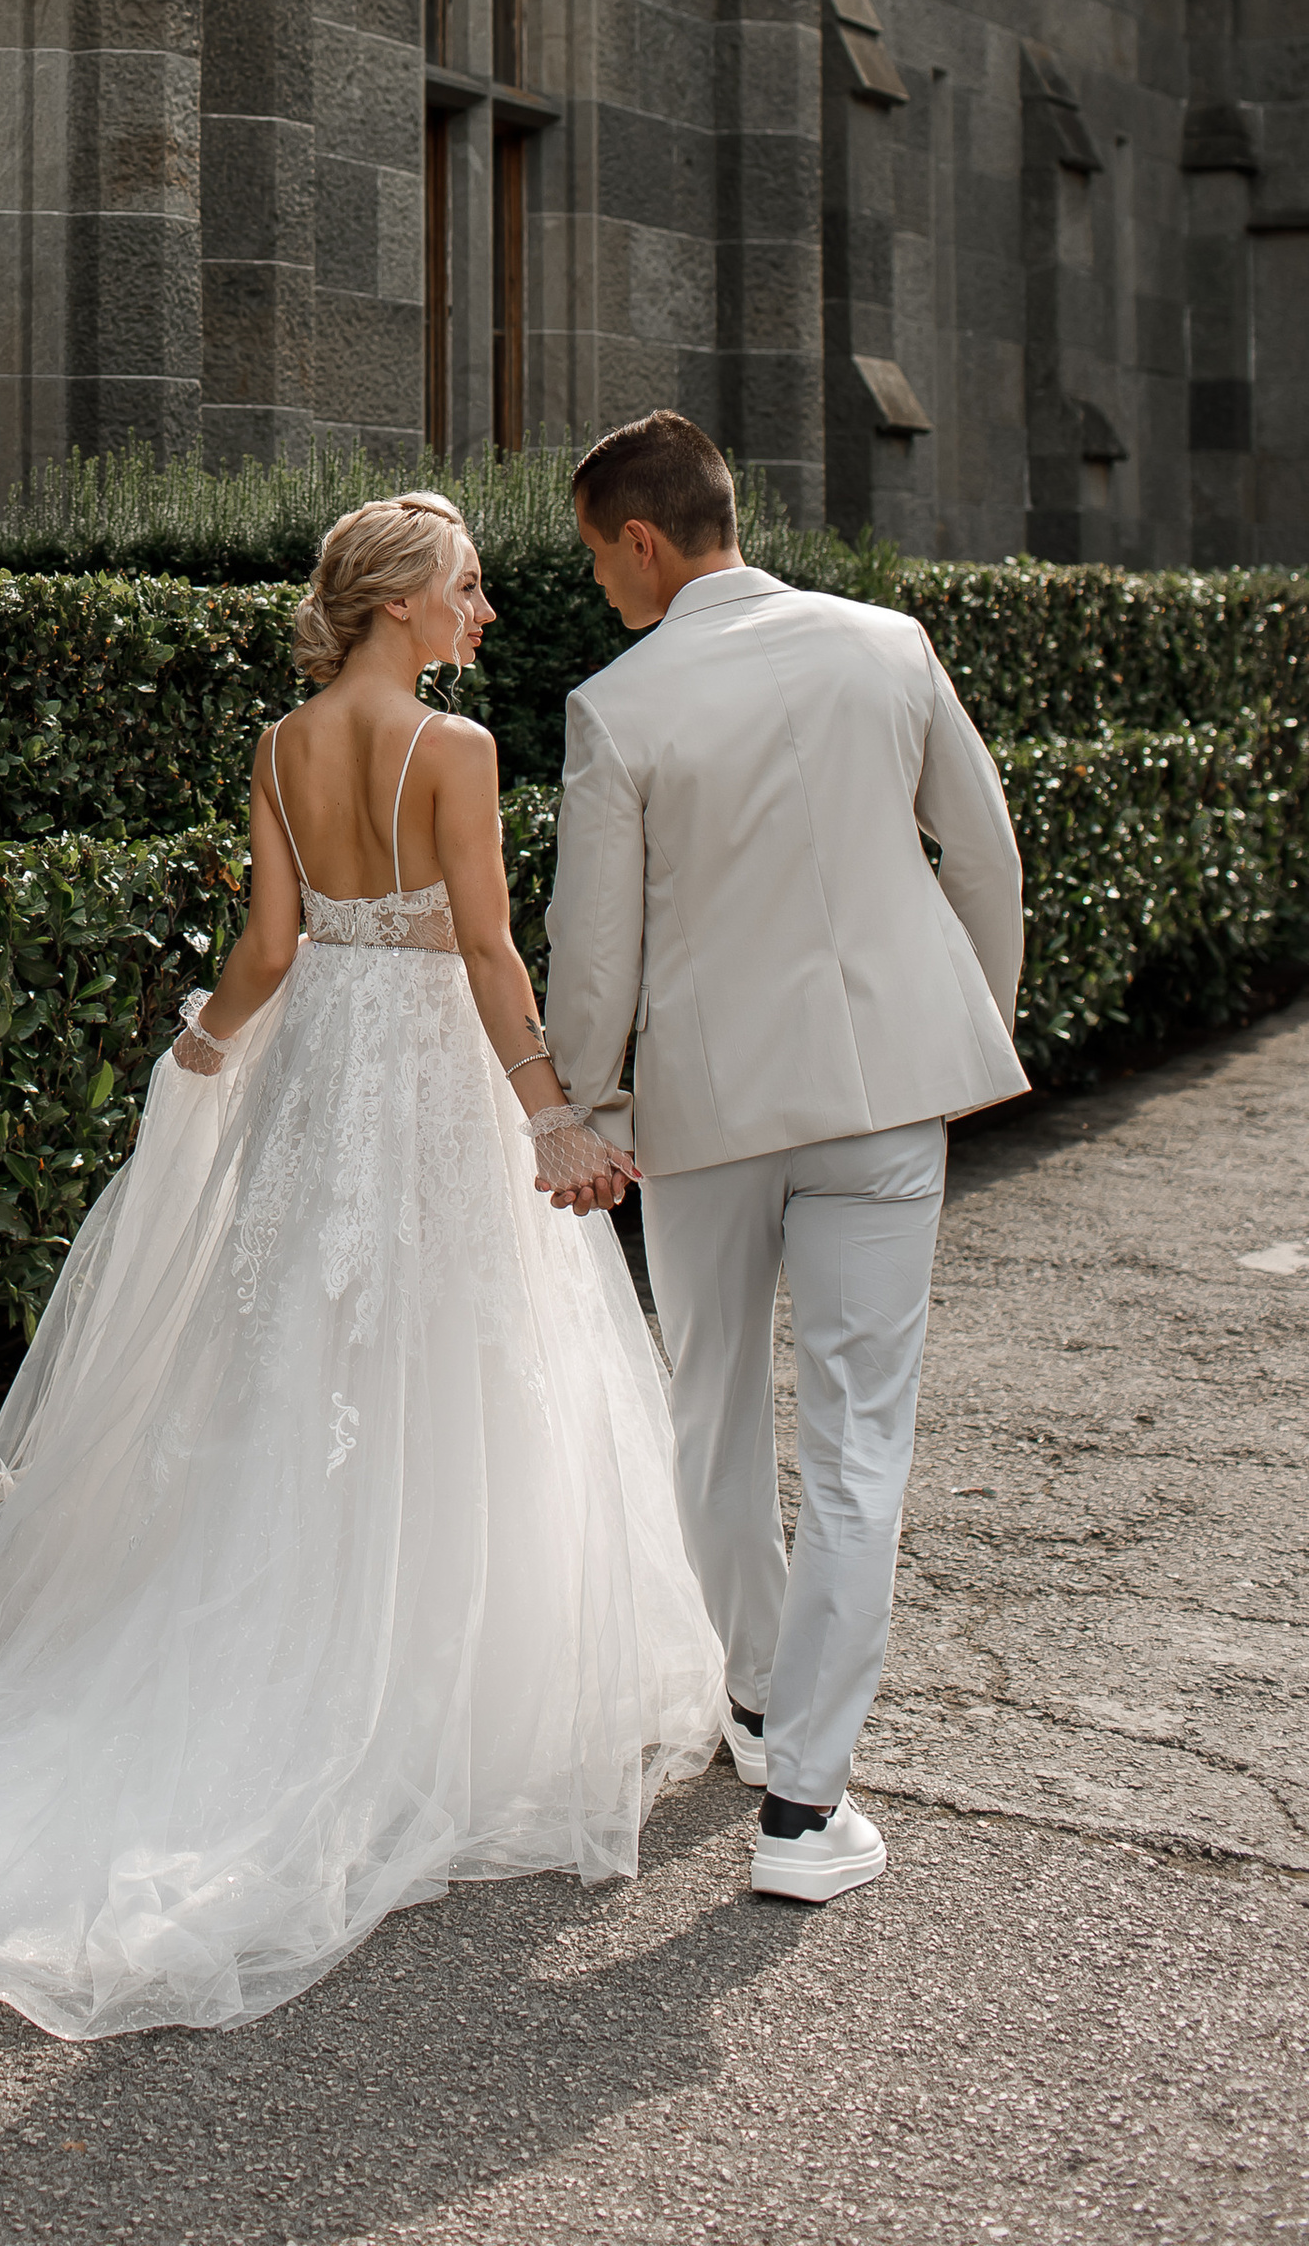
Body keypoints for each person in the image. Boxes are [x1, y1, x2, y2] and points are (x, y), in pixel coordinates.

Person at [0, 491, 724, 2040]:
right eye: (465, 585)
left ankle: (313, 1628)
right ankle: (429, 1675)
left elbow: (267, 951)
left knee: (301, 1344)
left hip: (318, 1067)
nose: (484, 609)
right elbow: (491, 948)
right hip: (435, 1080)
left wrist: (202, 1054)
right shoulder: (454, 749)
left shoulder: (281, 746)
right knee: (457, 1347)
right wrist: (552, 1113)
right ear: (399, 602)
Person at [543, 412, 1026, 1908]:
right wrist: (967, 1034)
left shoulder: (618, 704)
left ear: (642, 540)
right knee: (861, 1438)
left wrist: (588, 1103)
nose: (599, 584)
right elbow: (986, 856)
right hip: (883, 1095)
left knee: (712, 1415)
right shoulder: (890, 645)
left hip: (706, 1114)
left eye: (597, 556)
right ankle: (806, 1803)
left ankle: (757, 1698)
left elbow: (594, 947)